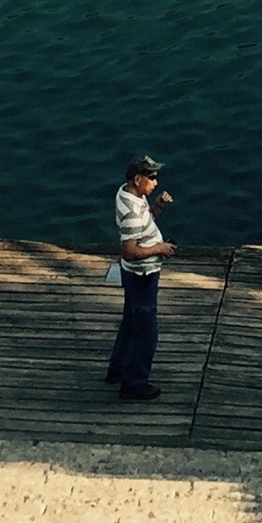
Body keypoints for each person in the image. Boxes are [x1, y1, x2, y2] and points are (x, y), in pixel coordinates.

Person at [106, 154, 173, 400]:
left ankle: (118, 370)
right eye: (152, 177)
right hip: (142, 276)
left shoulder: (129, 194)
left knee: (131, 323)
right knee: (146, 332)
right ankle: (133, 383)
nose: (156, 182)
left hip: (133, 275)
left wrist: (158, 206)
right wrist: (160, 249)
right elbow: (130, 251)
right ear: (138, 178)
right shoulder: (132, 211)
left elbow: (145, 223)